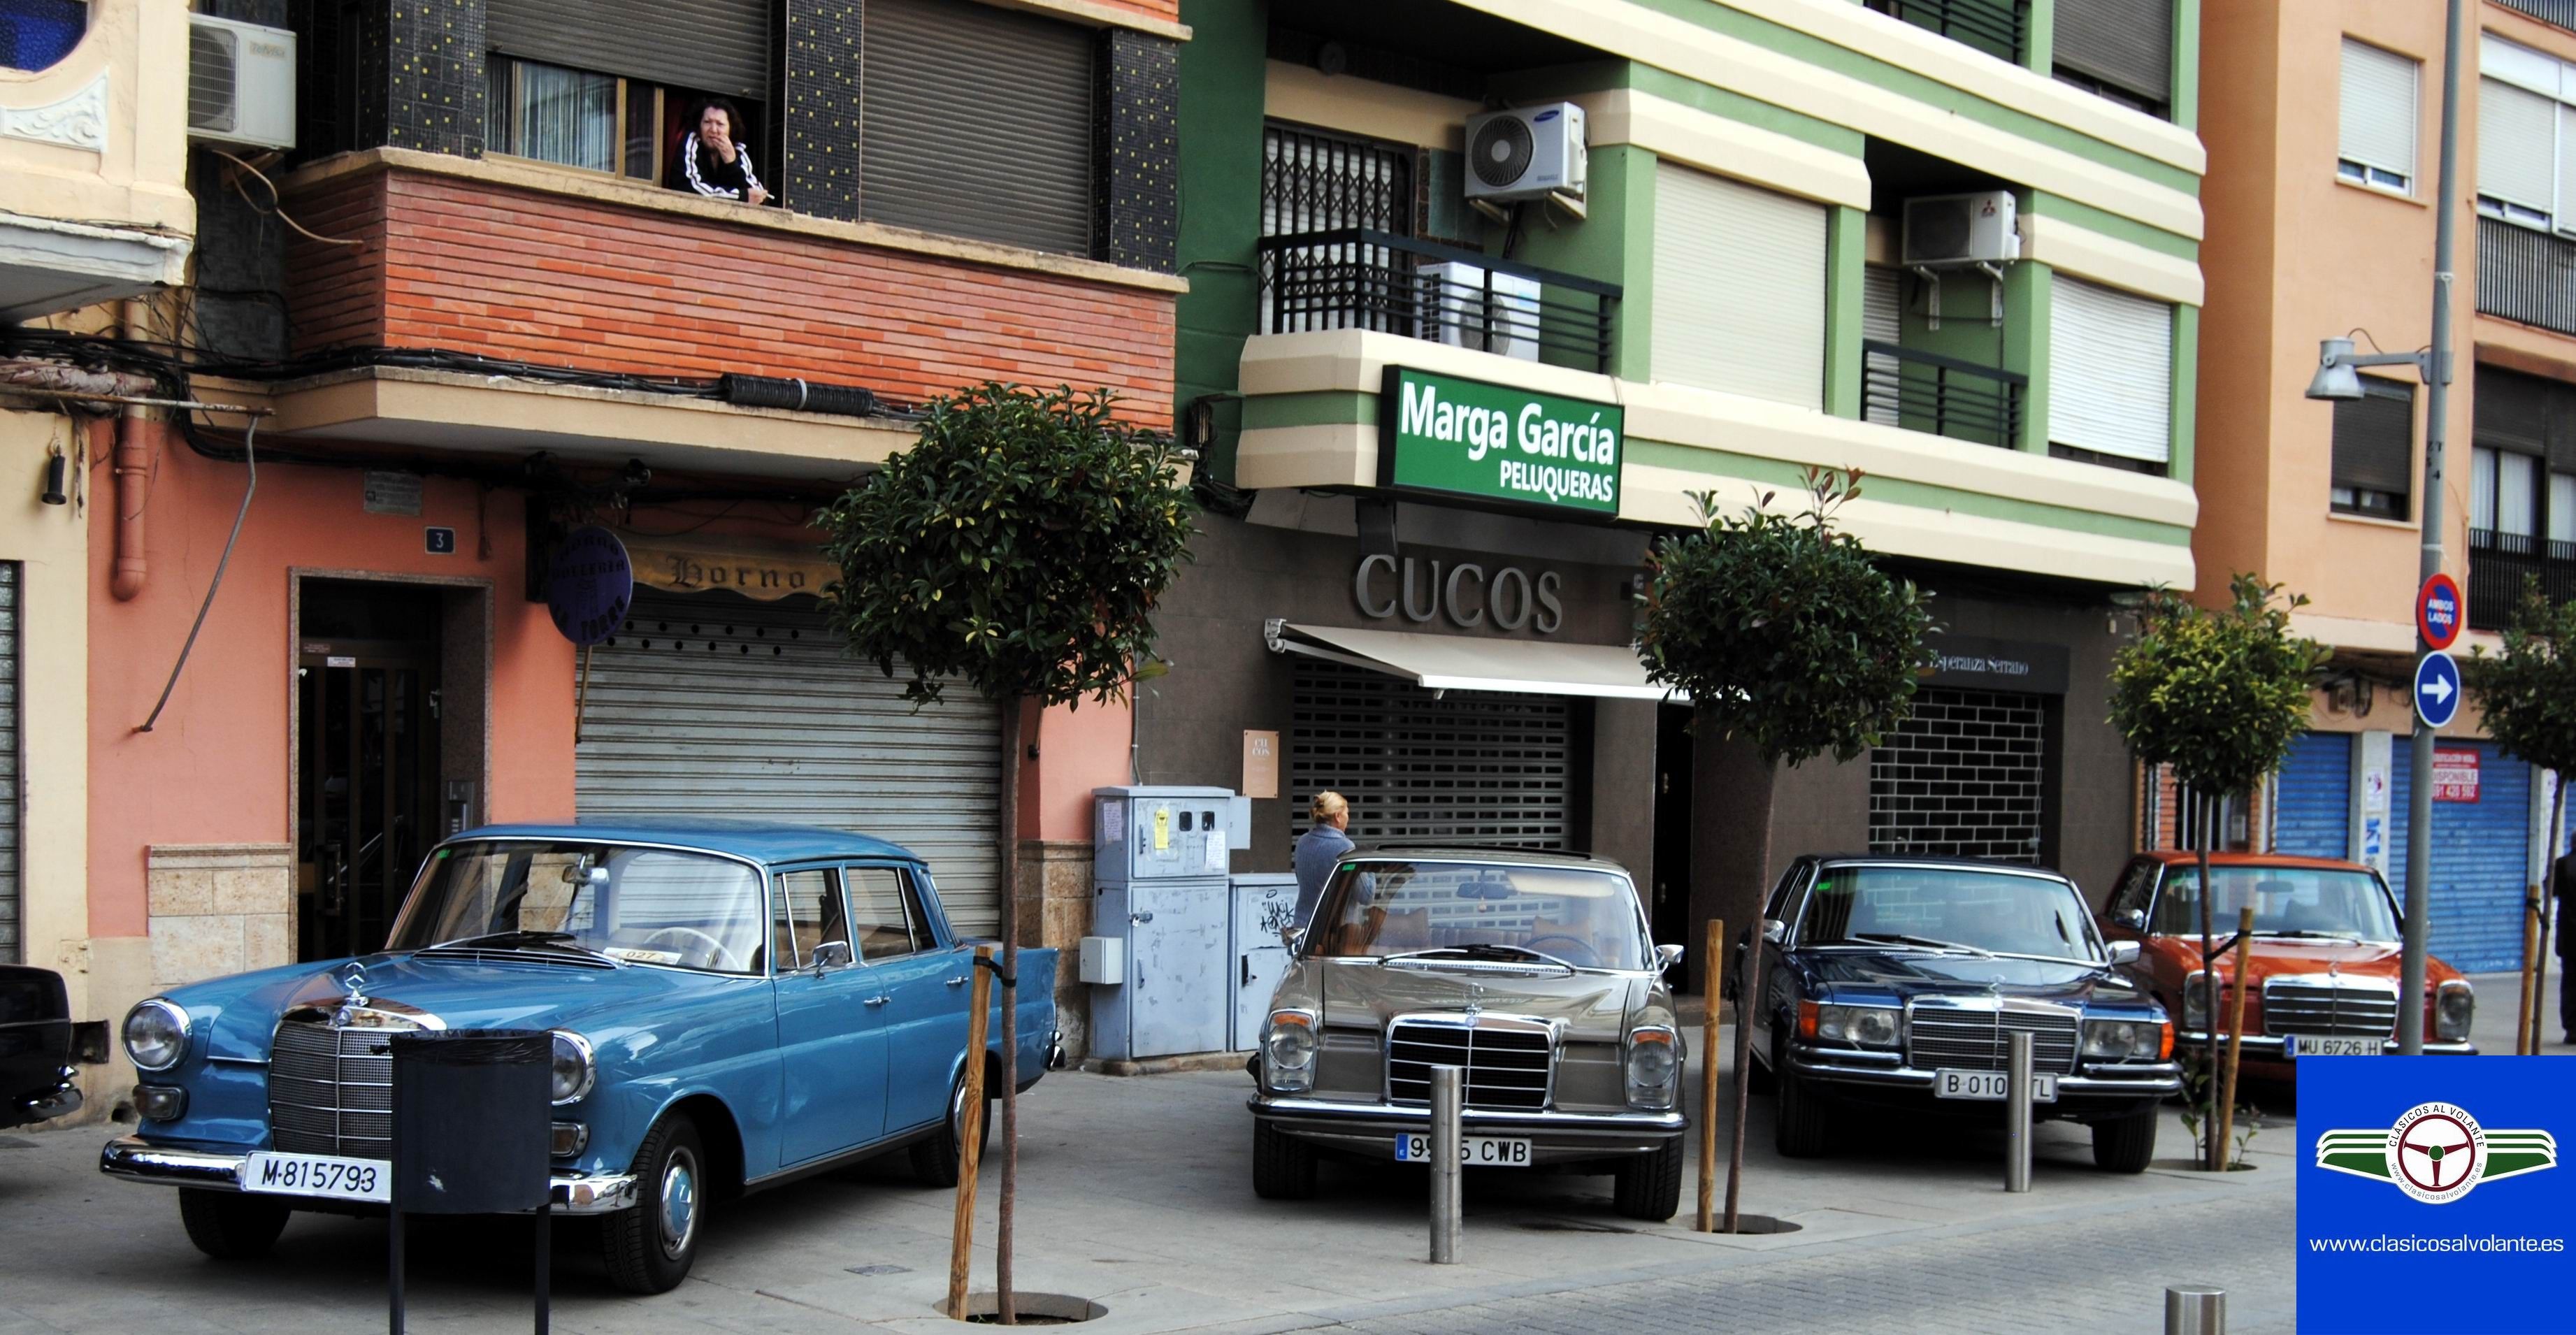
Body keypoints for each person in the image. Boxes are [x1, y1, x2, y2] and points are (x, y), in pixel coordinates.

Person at [679, 99, 770, 205]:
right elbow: (694, 188)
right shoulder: (692, 142)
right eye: (707, 122)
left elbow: (757, 194)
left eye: (720, 124)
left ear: (731, 129)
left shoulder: (738, 150)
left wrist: (732, 164)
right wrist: (740, 196)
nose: (713, 130)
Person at [1292, 791, 1353, 931]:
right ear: (1338, 816)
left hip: (1303, 926)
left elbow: (1300, 878)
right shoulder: (1345, 846)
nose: (1348, 818)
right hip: (1333, 930)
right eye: (1347, 813)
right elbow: (1366, 895)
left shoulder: (1302, 842)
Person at [2555, 844, 2576, 1044]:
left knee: (2569, 984)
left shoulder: (2562, 864)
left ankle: (2572, 1029)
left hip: (2569, 936)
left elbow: (2552, 889)